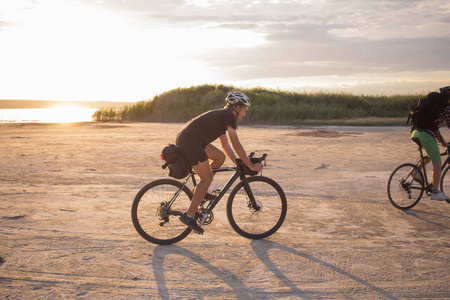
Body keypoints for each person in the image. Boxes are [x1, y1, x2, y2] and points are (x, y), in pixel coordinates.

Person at [176, 91, 263, 234]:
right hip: (191, 142)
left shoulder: (223, 116)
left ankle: (200, 192)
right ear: (239, 107)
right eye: (245, 110)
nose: (245, 114)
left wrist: (237, 162)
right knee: (207, 178)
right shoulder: (229, 116)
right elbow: (236, 144)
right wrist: (250, 165)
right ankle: (189, 215)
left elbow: (226, 145)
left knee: (219, 157)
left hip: (192, 139)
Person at [410, 86, 450, 200]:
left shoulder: (433, 105)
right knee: (437, 163)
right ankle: (435, 192)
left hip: (416, 133)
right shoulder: (446, 108)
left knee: (432, 155)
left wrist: (442, 142)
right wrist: (444, 142)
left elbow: (434, 128)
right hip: (426, 136)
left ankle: (415, 170)